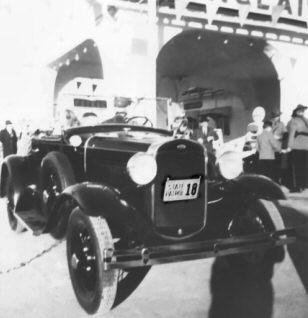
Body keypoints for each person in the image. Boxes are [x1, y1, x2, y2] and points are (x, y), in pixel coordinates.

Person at [286, 104, 308, 192]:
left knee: (299, 168)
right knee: (302, 167)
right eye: (300, 110)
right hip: (300, 146)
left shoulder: (294, 121)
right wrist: (290, 145)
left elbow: (291, 134)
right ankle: (302, 186)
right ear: (296, 111)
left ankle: (300, 186)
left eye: (303, 110)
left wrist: (289, 146)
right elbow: (292, 134)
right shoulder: (295, 121)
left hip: (300, 147)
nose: (302, 111)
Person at [270, 110, 287, 183]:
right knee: (270, 166)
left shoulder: (281, 124)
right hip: (269, 148)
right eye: (275, 116)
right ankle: (271, 181)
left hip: (278, 148)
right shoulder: (268, 124)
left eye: (278, 116)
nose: (277, 117)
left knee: (277, 165)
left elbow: (286, 135)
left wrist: (280, 137)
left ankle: (277, 181)